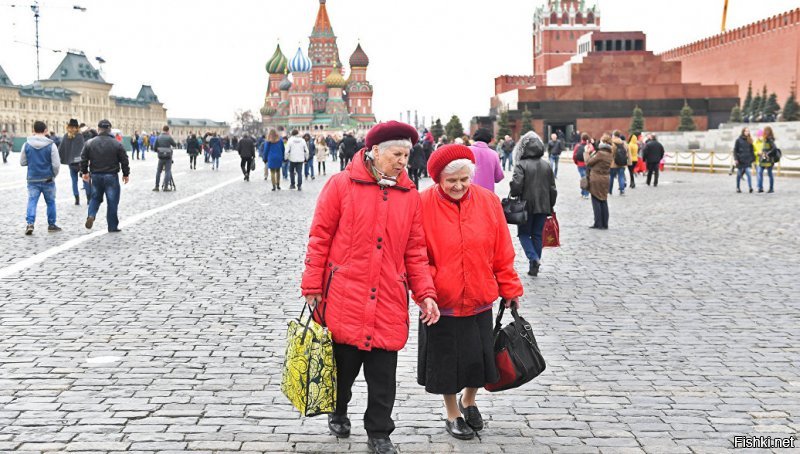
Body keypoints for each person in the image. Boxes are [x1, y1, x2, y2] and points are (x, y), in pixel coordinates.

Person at [301, 121, 439, 454]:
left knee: (383, 378)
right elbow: (320, 237)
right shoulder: (340, 185)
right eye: (396, 153)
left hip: (388, 297)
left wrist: (425, 294)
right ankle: (339, 408)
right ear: (375, 151)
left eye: (406, 154)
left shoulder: (410, 197)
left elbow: (415, 251)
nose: (403, 160)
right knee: (343, 370)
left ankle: (379, 432)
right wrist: (312, 284)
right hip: (345, 294)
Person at [418, 144, 523, 441]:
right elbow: (415, 256)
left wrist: (510, 287)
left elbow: (502, 251)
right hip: (441, 300)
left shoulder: (488, 201)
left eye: (465, 179)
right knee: (446, 361)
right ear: (438, 179)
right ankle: (452, 412)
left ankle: (470, 400)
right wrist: (428, 289)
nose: (459, 185)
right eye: (452, 180)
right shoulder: (422, 204)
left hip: (479, 295)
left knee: (479, 357)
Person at [509, 132, 557, 276]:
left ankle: (533, 258)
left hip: (525, 206)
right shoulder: (547, 165)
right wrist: (550, 205)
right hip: (544, 205)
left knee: (524, 234)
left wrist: (513, 191)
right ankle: (534, 265)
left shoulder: (521, 164)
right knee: (537, 234)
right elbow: (552, 188)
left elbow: (516, 186)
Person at [81, 119, 130, 232]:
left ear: (99, 129)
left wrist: (84, 172)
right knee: (112, 201)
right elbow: (124, 159)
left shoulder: (90, 143)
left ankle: (91, 215)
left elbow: (83, 159)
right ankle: (112, 226)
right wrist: (125, 174)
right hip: (111, 176)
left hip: (96, 175)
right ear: (110, 129)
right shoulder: (117, 143)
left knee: (95, 198)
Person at [20, 121, 61, 235]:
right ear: (45, 131)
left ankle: (30, 223)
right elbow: (56, 164)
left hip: (32, 178)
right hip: (48, 179)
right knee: (51, 202)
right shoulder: (51, 145)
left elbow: (22, 162)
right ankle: (51, 224)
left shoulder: (26, 144)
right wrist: (53, 175)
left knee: (32, 201)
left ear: (33, 130)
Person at [59, 119, 91, 205]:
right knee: (85, 180)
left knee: (74, 181)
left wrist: (64, 158)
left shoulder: (66, 136)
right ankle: (89, 199)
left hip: (71, 163)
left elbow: (61, 149)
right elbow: (83, 150)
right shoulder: (80, 136)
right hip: (80, 163)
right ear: (77, 127)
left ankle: (77, 199)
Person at [587, 134, 613, 229]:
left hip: (596, 178)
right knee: (603, 200)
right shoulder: (610, 153)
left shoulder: (600, 153)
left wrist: (587, 153)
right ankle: (605, 223)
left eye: (601, 140)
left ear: (604, 142)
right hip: (605, 178)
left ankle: (598, 223)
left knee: (596, 200)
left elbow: (589, 162)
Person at [153, 125, 177, 191]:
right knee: (167, 171)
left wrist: (159, 151)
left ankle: (156, 186)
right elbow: (174, 144)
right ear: (168, 130)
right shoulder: (169, 137)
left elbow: (154, 148)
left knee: (158, 171)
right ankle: (166, 187)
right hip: (168, 157)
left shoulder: (158, 137)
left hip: (161, 157)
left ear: (162, 130)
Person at [732, 128, 754, 193]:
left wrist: (752, 159)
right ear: (743, 132)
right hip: (740, 160)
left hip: (747, 160)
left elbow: (751, 151)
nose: (747, 132)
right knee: (739, 174)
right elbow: (735, 150)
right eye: (746, 131)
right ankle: (738, 187)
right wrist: (736, 159)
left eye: (748, 131)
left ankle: (750, 187)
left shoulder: (750, 140)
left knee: (748, 173)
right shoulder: (738, 140)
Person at [757, 126, 777, 193]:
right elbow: (765, 148)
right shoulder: (765, 139)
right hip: (764, 158)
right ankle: (760, 188)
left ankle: (771, 188)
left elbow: (774, 148)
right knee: (760, 172)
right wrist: (761, 152)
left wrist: (767, 153)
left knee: (769, 173)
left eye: (765, 131)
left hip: (768, 159)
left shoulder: (770, 139)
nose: (764, 132)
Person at [608, 131, 628, 195]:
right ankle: (622, 190)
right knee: (621, 176)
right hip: (622, 163)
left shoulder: (612, 143)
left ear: (614, 135)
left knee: (611, 177)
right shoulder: (624, 143)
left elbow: (611, 154)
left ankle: (610, 190)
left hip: (613, 163)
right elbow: (627, 153)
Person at [573, 133, 591, 199]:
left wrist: (576, 162)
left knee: (583, 178)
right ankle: (584, 193)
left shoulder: (578, 145)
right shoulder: (589, 146)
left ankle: (585, 193)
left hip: (580, 164)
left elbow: (574, 155)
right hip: (588, 164)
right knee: (587, 178)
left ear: (581, 138)